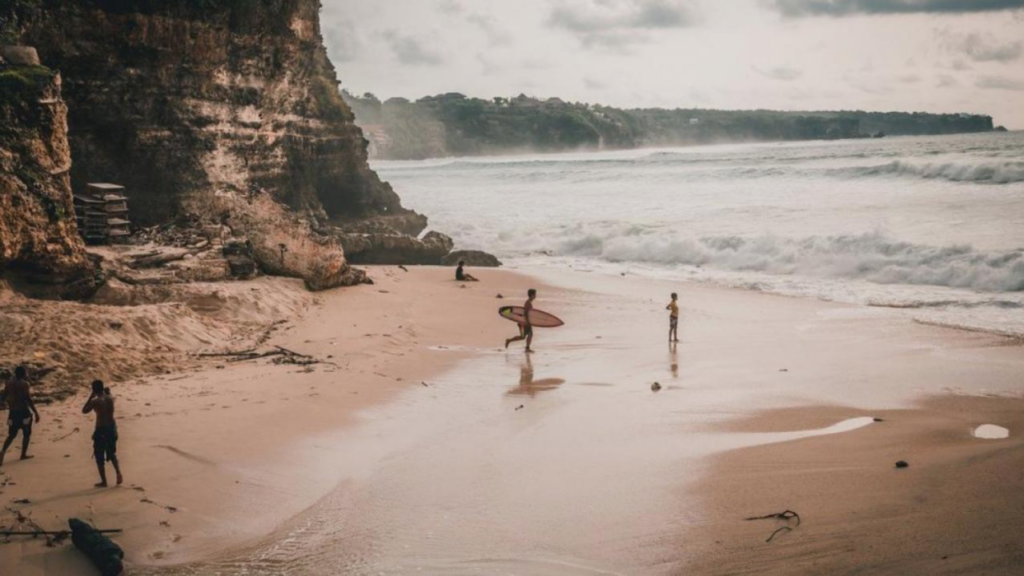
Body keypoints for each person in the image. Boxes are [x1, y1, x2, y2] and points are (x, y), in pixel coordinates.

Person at [83, 380, 122, 487]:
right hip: (112, 427)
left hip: (101, 429)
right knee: (112, 452)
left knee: (99, 455)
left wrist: (90, 397)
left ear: (94, 390)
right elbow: (110, 394)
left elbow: (84, 410)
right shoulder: (110, 398)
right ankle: (118, 472)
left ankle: (104, 481)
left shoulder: (96, 401)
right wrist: (108, 392)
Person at [0, 366, 40, 467]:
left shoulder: (8, 384)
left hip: (13, 413)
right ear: (23, 374)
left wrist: (4, 404)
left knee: (12, 434)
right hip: (24, 412)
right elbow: (28, 399)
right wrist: (36, 412)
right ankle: (23, 454)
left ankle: (2, 451)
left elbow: (3, 397)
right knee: (26, 432)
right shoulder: (24, 384)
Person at [505, 288, 537, 353]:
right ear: (531, 295)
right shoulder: (528, 303)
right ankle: (527, 348)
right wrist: (527, 322)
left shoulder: (528, 303)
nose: (535, 296)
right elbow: (525, 313)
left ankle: (509, 340)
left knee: (523, 336)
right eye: (535, 295)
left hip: (523, 322)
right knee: (529, 334)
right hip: (524, 322)